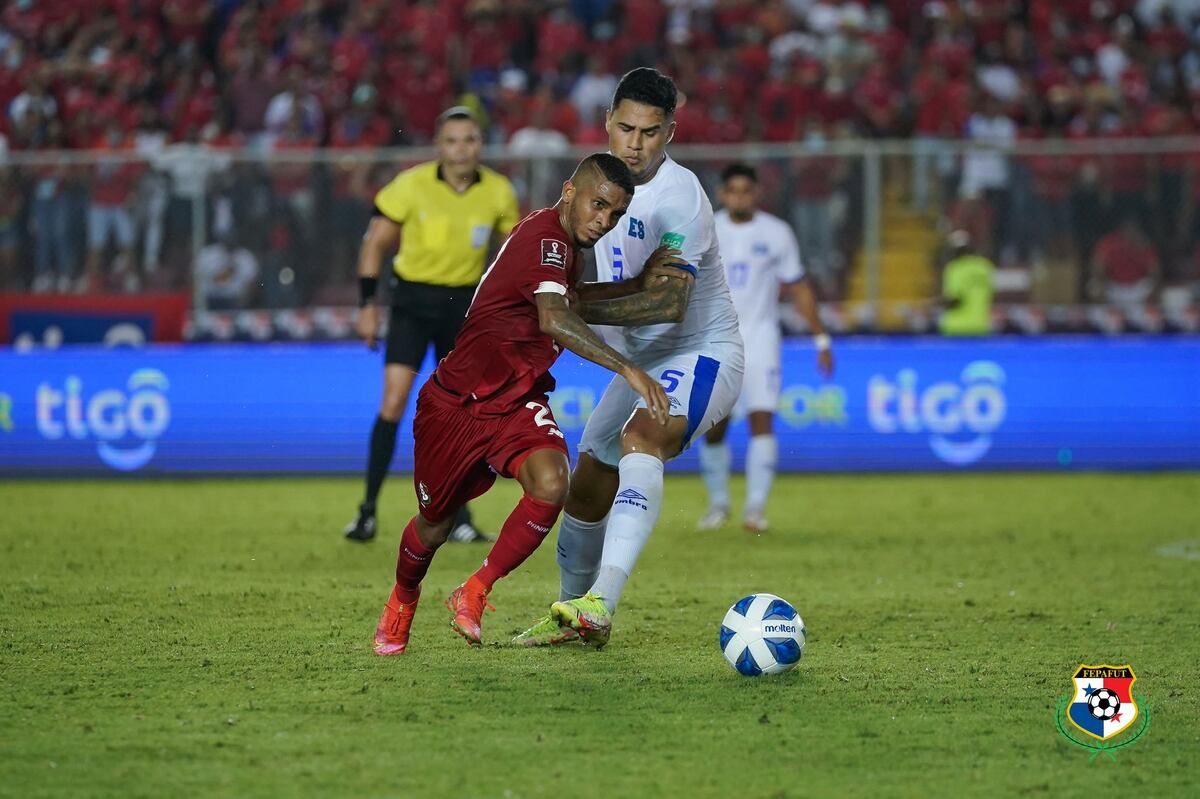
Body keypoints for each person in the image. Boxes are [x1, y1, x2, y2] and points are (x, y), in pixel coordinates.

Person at [372, 153, 673, 654]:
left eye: (616, 215)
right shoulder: (546, 239)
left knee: (553, 482)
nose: (604, 221)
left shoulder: (564, 245)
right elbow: (556, 318)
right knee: (434, 525)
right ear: (569, 191)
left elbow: (570, 303)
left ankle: (475, 590)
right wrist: (627, 368)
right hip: (456, 406)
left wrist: (638, 286)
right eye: (599, 205)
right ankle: (403, 598)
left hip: (517, 401)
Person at [515, 68, 745, 648]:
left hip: (701, 351)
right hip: (639, 361)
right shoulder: (597, 187)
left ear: (671, 131)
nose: (636, 145)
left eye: (650, 132)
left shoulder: (680, 196)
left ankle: (602, 602)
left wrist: (576, 305)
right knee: (587, 480)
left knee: (643, 438)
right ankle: (573, 616)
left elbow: (668, 302)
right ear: (607, 123)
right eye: (625, 128)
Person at [346, 107, 520, 544]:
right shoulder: (411, 185)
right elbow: (375, 244)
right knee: (394, 401)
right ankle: (367, 512)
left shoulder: (499, 192)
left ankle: (459, 516)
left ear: (480, 145)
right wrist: (367, 304)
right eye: (452, 141)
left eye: (469, 140)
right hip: (412, 302)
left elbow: (512, 256)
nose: (461, 149)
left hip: (462, 307)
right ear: (439, 146)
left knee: (461, 413)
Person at [698, 163, 834, 534]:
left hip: (762, 340)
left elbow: (799, 286)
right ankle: (718, 504)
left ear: (757, 193)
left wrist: (820, 337)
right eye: (733, 190)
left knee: (762, 420)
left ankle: (754, 509)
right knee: (714, 425)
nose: (740, 196)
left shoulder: (777, 233)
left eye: (747, 190)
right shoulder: (708, 230)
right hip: (717, 339)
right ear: (723, 194)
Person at [939, 229, 995, 336]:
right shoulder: (985, 267)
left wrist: (940, 303)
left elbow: (954, 300)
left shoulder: (955, 268)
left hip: (957, 327)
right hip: (981, 325)